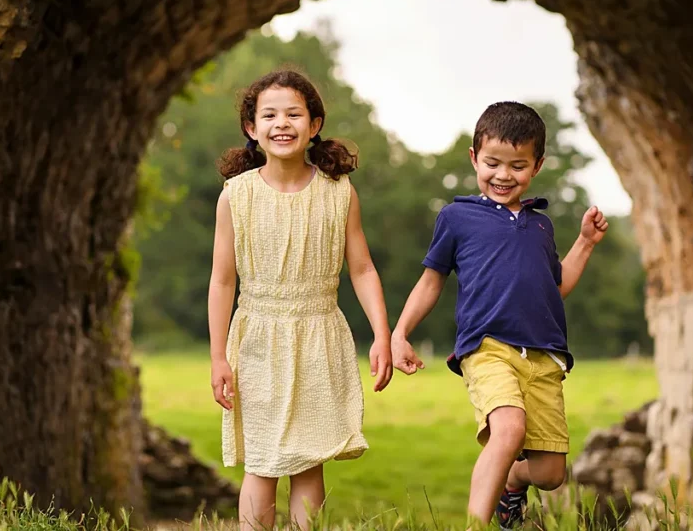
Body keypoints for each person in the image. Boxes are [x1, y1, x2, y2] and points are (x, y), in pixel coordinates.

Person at [391, 101, 608, 528]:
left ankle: (513, 480)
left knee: (550, 474)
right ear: (475, 158)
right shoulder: (457, 217)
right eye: (492, 163)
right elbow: (431, 280)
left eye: (518, 165)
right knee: (507, 430)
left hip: (544, 356)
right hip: (487, 347)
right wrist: (400, 332)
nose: (503, 175)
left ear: (537, 166)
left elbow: (557, 285)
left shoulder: (541, 226)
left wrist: (585, 243)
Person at [207, 68, 393, 530]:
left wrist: (382, 335)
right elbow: (222, 282)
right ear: (252, 128)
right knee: (264, 460)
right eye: (269, 114)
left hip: (318, 336)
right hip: (257, 342)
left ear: (314, 125)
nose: (281, 123)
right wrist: (217, 358)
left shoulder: (339, 193)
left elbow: (363, 269)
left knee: (310, 458)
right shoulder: (236, 196)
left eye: (294, 113)